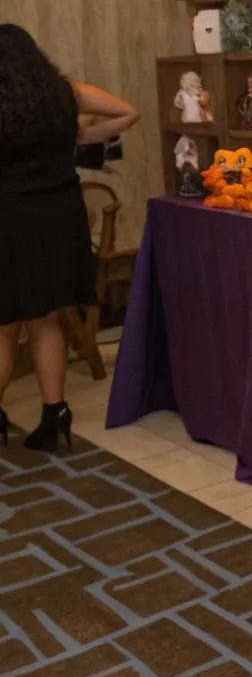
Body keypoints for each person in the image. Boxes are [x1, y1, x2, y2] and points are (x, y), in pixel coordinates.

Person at [0, 25, 139, 449]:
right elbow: (127, 113)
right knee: (46, 319)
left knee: (4, 324)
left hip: (7, 218)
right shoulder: (65, 94)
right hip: (59, 217)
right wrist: (79, 136)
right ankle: (54, 414)